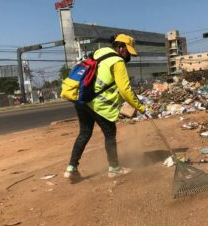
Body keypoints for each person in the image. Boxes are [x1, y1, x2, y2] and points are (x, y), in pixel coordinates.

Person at [64, 34, 153, 180]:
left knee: (84, 133)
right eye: (127, 50)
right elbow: (125, 90)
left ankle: (71, 168)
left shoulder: (101, 52)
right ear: (121, 47)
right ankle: (114, 168)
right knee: (110, 134)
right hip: (98, 105)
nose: (128, 54)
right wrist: (142, 108)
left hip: (82, 99)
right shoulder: (118, 61)